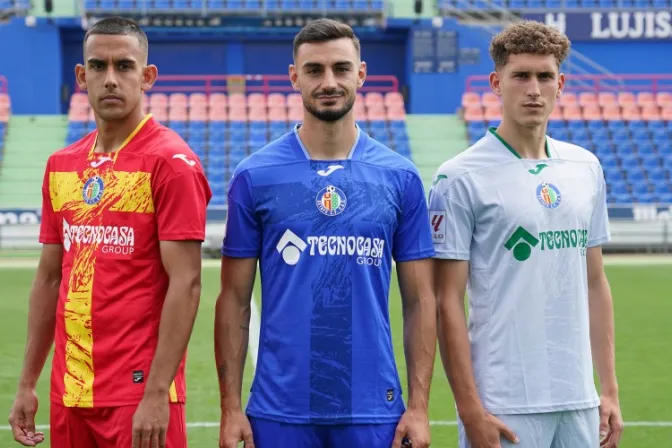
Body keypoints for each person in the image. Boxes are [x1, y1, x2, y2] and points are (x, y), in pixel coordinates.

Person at [214, 18, 437, 448]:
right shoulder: (256, 176)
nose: (329, 81)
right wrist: (229, 408)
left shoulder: (399, 177)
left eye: (340, 68)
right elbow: (234, 301)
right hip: (279, 411)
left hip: (374, 409)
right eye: (314, 70)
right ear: (295, 77)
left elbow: (421, 300)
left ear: (361, 73)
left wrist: (420, 407)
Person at [8, 17, 212, 448]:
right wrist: (28, 382)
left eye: (124, 66)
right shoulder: (61, 166)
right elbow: (48, 278)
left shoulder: (171, 163)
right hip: (70, 391)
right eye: (98, 66)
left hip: (139, 394)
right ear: (82, 77)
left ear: (147, 76)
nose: (111, 79)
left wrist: (157, 392)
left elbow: (187, 282)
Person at [428, 20, 624, 448]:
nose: (534, 89)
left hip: (579, 399)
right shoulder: (459, 177)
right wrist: (471, 410)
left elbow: (595, 283)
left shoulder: (585, 167)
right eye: (521, 76)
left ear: (561, 83)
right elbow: (446, 303)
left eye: (544, 76)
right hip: (505, 402)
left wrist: (607, 389)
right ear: (497, 83)